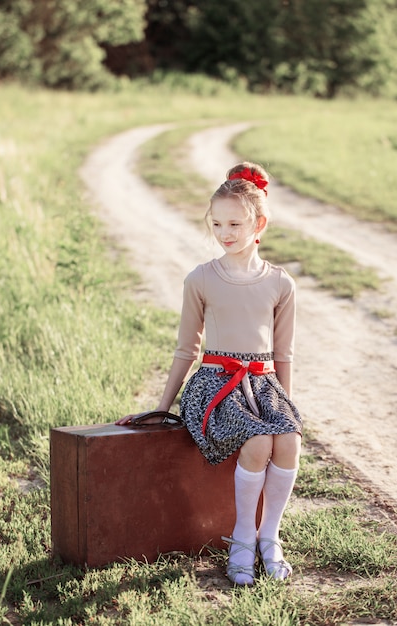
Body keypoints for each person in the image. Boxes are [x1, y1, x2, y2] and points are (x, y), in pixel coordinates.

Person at [116, 162, 302, 585]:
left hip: (263, 385)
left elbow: (284, 353)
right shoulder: (201, 279)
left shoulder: (280, 284)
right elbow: (187, 348)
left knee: (287, 439)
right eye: (216, 223)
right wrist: (163, 407)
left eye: (235, 223)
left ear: (260, 223)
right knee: (258, 442)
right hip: (215, 384)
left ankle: (268, 537)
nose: (225, 233)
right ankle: (241, 539)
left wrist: (285, 408)